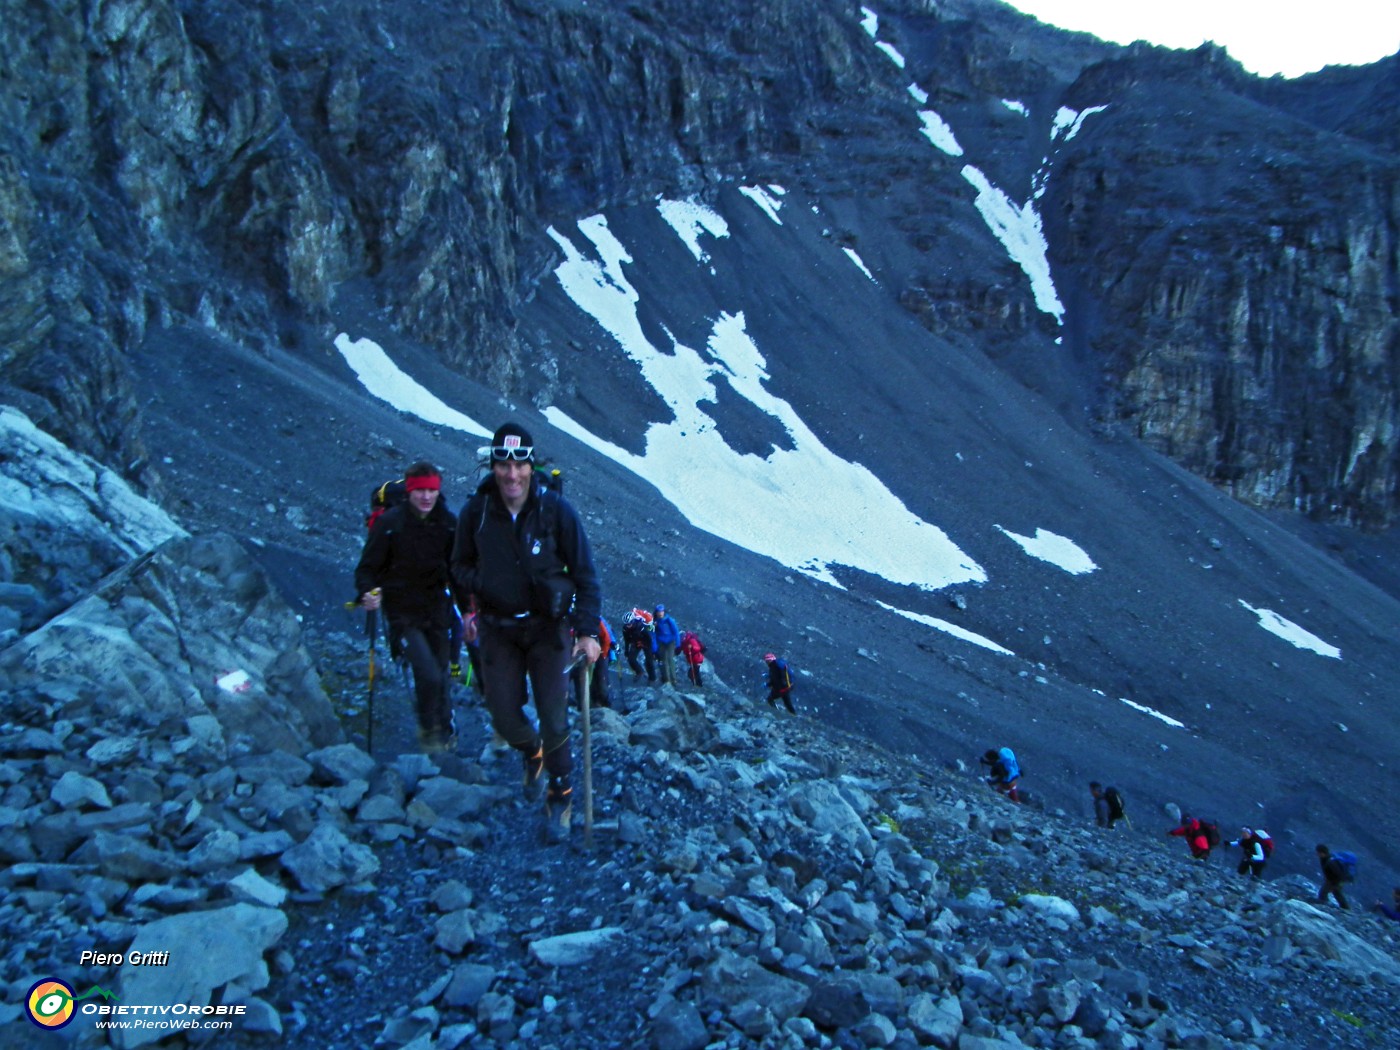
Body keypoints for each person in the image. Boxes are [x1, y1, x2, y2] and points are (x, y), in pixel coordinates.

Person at [451, 423, 602, 843]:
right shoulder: (476, 512)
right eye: (503, 464)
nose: (511, 474)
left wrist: (588, 631)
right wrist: (478, 592)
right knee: (502, 714)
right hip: (499, 628)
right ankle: (530, 751)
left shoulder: (556, 512)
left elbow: (587, 575)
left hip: (549, 629)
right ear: (493, 465)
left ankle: (561, 796)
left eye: (519, 465)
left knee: (555, 717)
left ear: (531, 467)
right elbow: (458, 565)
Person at [354, 461, 463, 753]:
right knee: (427, 673)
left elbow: (457, 570)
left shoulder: (448, 524)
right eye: (420, 491)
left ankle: (443, 732)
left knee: (440, 673)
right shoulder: (390, 524)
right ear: (410, 491)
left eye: (431, 491)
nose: (426, 497)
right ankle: (430, 733)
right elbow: (367, 568)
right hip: (402, 613)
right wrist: (368, 592)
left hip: (436, 610)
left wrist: (469, 609)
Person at [623, 608, 657, 682]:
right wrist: (626, 650)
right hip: (635, 641)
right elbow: (626, 639)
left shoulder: (642, 627)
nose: (628, 626)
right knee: (631, 659)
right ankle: (639, 671)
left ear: (633, 621)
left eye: (629, 624)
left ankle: (652, 678)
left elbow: (650, 639)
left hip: (646, 641)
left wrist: (652, 650)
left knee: (649, 661)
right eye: (626, 624)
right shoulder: (625, 629)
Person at [1316, 844, 1351, 909]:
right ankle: (1346, 909)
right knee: (1336, 893)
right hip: (1332, 880)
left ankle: (1323, 906)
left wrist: (1337, 883)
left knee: (1323, 893)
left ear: (1322, 852)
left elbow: (1338, 874)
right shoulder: (1326, 859)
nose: (1317, 854)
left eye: (1318, 852)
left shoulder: (1330, 862)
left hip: (1334, 880)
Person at [652, 604, 680, 686]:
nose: (660, 613)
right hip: (661, 642)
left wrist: (678, 646)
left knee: (670, 659)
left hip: (670, 641)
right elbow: (653, 635)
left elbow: (676, 632)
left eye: (662, 611)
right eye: (659, 612)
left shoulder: (670, 621)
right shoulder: (655, 622)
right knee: (663, 660)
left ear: (664, 612)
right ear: (656, 613)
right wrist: (654, 649)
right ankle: (667, 680)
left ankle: (673, 679)